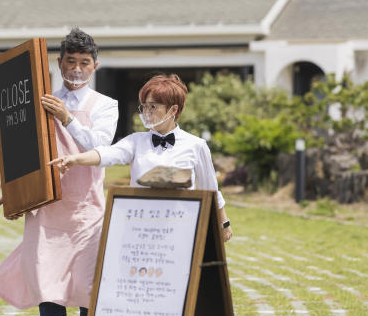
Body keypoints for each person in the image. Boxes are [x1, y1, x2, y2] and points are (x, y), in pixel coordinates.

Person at [0, 28, 119, 316]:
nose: (76, 69)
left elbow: (101, 147)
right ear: (59, 63)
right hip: (46, 209)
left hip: (87, 210)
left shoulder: (106, 105)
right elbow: (23, 150)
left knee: (87, 288)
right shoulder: (38, 100)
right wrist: (17, 191)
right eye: (70, 62)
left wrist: (67, 117)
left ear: (95, 65)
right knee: (48, 287)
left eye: (84, 63)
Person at [50, 73, 233, 243]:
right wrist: (75, 159)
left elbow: (212, 190)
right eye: (144, 106)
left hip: (181, 228)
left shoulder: (196, 145)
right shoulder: (136, 141)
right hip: (139, 227)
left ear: (173, 110)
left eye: (153, 106)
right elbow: (107, 154)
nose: (147, 111)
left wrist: (224, 224)